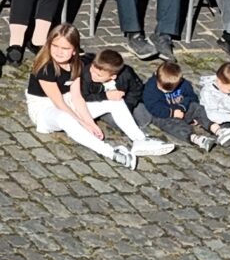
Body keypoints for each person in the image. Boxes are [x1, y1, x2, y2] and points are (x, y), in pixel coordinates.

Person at [23, 26, 152, 167]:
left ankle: (140, 139)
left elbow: (77, 97)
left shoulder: (76, 64)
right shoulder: (45, 68)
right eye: (55, 46)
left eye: (65, 48)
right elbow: (59, 103)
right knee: (65, 118)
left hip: (69, 101)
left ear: (74, 50)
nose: (59, 52)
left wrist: (89, 122)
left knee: (114, 101)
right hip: (46, 108)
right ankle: (110, 152)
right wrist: (84, 123)